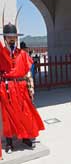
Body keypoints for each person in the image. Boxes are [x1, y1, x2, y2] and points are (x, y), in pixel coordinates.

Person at [0, 23, 45, 154]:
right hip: (7, 88)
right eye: (9, 37)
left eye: (14, 36)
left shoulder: (23, 55)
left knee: (26, 113)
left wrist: (31, 89)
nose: (12, 39)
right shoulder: (1, 54)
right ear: (5, 39)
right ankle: (9, 143)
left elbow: (28, 74)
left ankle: (26, 137)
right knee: (8, 116)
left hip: (21, 88)